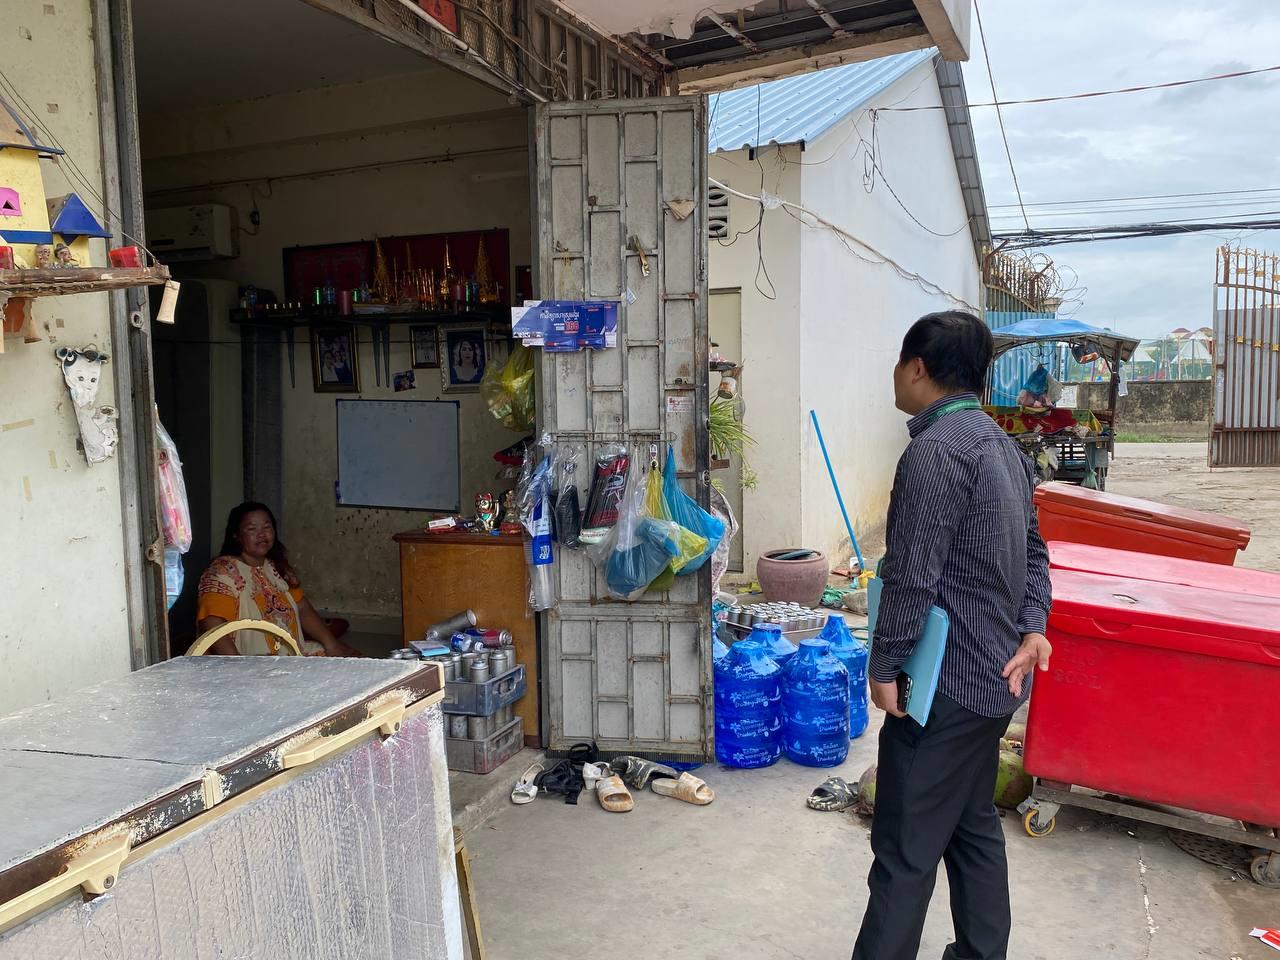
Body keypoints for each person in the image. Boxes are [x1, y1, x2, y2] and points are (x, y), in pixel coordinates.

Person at [852, 311, 1052, 960]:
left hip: (943, 687)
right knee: (970, 827)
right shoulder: (1002, 445)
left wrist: (884, 665)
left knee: (905, 850)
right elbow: (1036, 551)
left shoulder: (935, 451)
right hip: (996, 679)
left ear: (917, 368)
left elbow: (912, 577)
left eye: (898, 361)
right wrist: (1033, 626)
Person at [196, 502, 360, 657]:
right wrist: (238, 665)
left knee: (347, 660)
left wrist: (332, 645)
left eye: (267, 527)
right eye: (252, 529)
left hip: (288, 655)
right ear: (236, 535)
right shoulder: (222, 573)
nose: (262, 534)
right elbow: (212, 623)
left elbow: (302, 608)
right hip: (248, 661)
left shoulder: (276, 567)